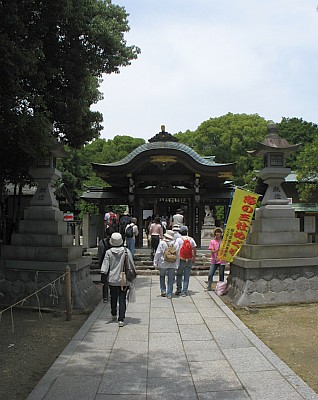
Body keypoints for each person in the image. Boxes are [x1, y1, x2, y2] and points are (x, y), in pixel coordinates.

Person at [101, 232, 136, 327]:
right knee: (122, 298)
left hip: (112, 278)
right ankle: (121, 319)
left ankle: (113, 313)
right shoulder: (126, 251)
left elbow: (105, 266)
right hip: (124, 279)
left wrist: (103, 276)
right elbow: (131, 264)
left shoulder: (108, 252)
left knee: (113, 297)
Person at [153, 230, 180, 299]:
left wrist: (155, 262)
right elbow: (178, 254)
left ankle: (163, 290)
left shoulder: (162, 243)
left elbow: (158, 253)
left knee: (162, 276)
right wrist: (177, 263)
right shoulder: (176, 243)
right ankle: (169, 293)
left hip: (163, 262)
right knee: (171, 279)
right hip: (173, 263)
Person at [175, 226, 197, 296]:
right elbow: (194, 248)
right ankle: (184, 291)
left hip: (181, 259)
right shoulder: (191, 239)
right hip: (189, 258)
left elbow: (176, 249)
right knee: (187, 275)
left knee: (179, 274)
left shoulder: (178, 239)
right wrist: (194, 257)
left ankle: (179, 289)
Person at [97, 226, 115, 302]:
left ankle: (105, 297)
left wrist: (100, 263)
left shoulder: (102, 242)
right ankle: (112, 295)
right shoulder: (116, 242)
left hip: (104, 263)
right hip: (113, 262)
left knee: (105, 281)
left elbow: (99, 253)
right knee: (113, 280)